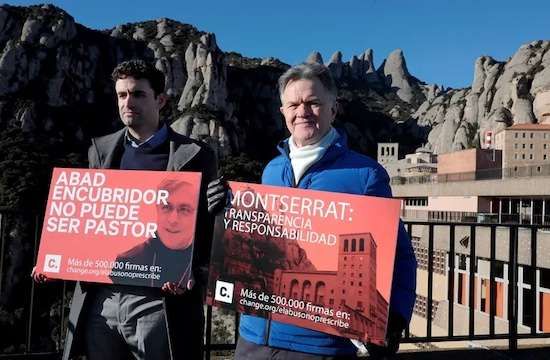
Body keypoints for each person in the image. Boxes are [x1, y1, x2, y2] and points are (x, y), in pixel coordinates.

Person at [33, 59, 224, 360]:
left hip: (158, 300)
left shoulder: (197, 156)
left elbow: (206, 228)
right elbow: (91, 219)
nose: (128, 102)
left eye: (137, 94)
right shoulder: (101, 149)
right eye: (122, 95)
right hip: (102, 298)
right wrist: (56, 261)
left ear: (160, 100)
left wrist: (193, 271)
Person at [234, 63, 417, 359]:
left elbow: (400, 254)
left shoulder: (366, 175)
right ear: (283, 113)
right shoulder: (271, 169)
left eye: (313, 102)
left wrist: (395, 316)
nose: (302, 111)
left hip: (318, 344)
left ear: (334, 108)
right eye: (293, 104)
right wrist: (223, 210)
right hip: (254, 335)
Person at [110, 179, 198, 288]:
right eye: (166, 207)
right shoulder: (128, 260)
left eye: (184, 209)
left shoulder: (204, 258)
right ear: (157, 209)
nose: (173, 219)